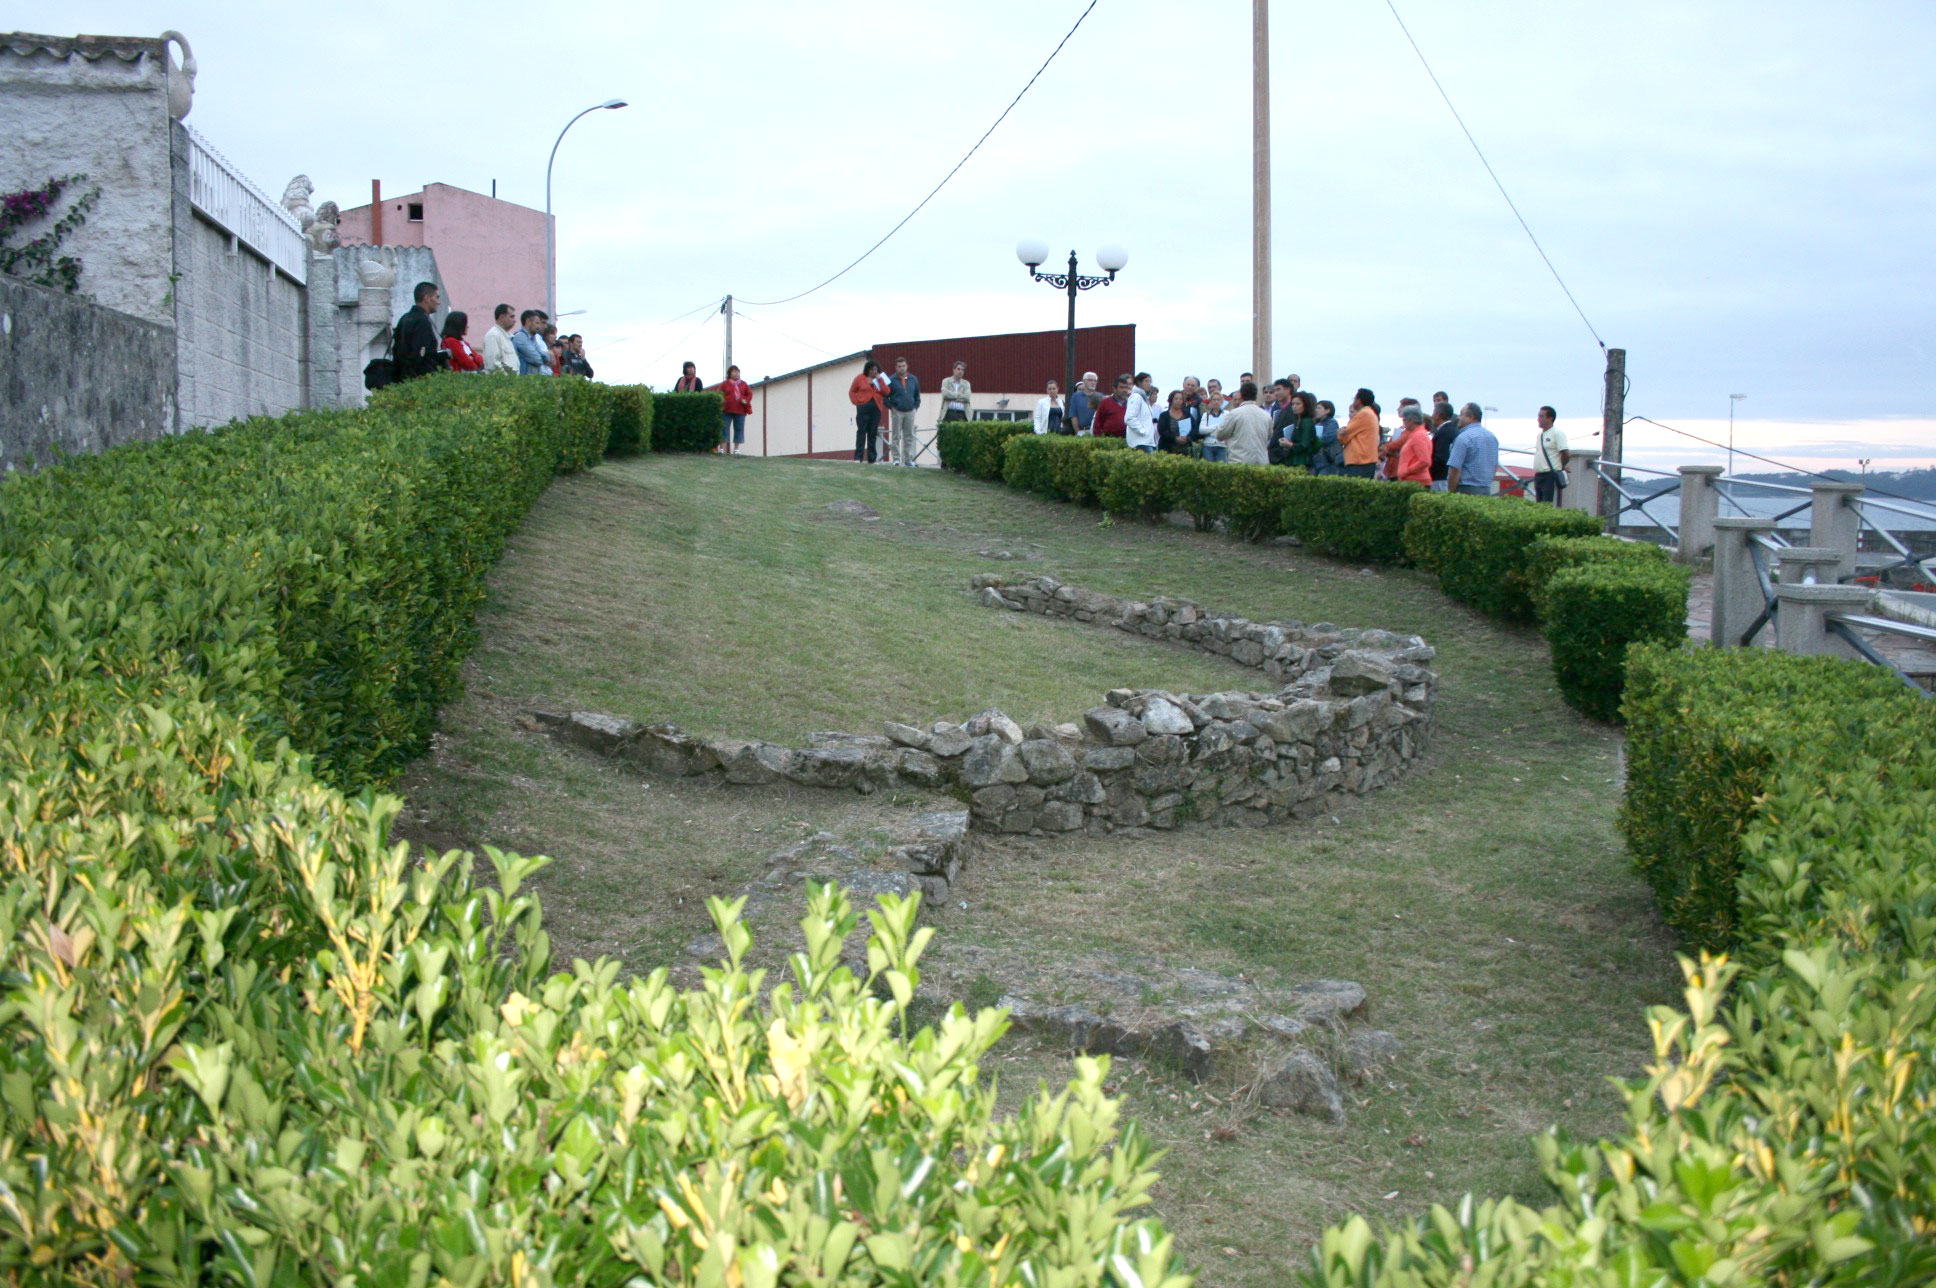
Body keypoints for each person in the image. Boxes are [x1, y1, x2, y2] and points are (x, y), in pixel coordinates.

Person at [392, 281, 444, 381]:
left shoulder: (404, 318)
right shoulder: (422, 321)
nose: (439, 302)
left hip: (401, 379)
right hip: (419, 381)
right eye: (437, 297)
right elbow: (419, 355)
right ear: (427, 298)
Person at [1214, 381, 1274, 465]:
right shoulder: (1266, 416)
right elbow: (1269, 436)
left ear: (1241, 396)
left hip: (1239, 462)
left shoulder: (1234, 414)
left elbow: (1220, 435)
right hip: (1262, 463)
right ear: (1256, 395)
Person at [1446, 403, 1500, 495]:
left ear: (1470, 417)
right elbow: (1494, 465)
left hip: (1465, 489)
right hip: (1486, 488)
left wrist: (1450, 491)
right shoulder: (1492, 437)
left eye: (1461, 414)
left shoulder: (1463, 438)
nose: (1458, 417)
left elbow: (1455, 469)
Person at [885, 357, 921, 467]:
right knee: (896, 435)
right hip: (897, 411)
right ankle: (896, 458)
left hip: (910, 411)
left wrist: (915, 407)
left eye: (903, 366)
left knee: (909, 436)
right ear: (896, 367)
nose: (902, 368)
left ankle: (908, 459)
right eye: (899, 366)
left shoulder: (913, 379)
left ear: (907, 366)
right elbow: (885, 397)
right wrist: (892, 408)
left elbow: (917, 395)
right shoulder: (890, 380)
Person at [1339, 388, 1380, 478]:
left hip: (1359, 461)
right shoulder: (1371, 413)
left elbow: (1345, 435)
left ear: (1358, 400)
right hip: (1368, 459)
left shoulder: (1363, 414)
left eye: (1354, 399)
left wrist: (1339, 433)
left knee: (1354, 490)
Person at [850, 360, 886, 462]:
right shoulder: (860, 378)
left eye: (875, 369)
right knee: (861, 432)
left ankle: (872, 458)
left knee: (872, 433)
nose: (873, 371)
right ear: (868, 370)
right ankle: (858, 457)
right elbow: (852, 391)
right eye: (871, 369)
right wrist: (856, 402)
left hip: (876, 408)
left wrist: (880, 380)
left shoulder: (881, 379)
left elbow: (886, 391)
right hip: (863, 408)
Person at [1532, 405, 1569, 504]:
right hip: (1539, 474)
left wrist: (1561, 466)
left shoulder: (1557, 433)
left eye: (1541, 416)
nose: (1538, 419)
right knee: (1539, 504)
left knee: (1546, 503)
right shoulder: (1540, 435)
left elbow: (1565, 453)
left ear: (1550, 418)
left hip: (1549, 475)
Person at [1278, 391, 1319, 469]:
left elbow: (1304, 445)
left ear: (1305, 405)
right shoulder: (1298, 420)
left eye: (1298, 404)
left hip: (1303, 462)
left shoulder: (1307, 422)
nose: (1294, 406)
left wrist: (1289, 444)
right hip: (1294, 461)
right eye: (1293, 404)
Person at [1392, 406, 1434, 483]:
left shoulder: (1418, 436)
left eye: (1404, 419)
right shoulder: (1416, 434)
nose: (1403, 422)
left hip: (1416, 481)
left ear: (1411, 420)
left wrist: (1406, 471)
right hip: (1412, 480)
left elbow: (1425, 461)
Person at [718, 364, 752, 455]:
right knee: (724, 429)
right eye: (734, 372)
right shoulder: (725, 384)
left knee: (739, 429)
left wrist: (746, 400)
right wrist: (722, 402)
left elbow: (749, 394)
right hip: (726, 410)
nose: (736, 373)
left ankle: (736, 449)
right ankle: (722, 449)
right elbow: (719, 394)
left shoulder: (744, 384)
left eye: (738, 372)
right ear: (729, 373)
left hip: (740, 411)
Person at [1429, 401, 1462, 492]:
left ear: (1438, 414)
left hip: (1440, 478)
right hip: (1444, 476)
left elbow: (1441, 457)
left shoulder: (1444, 432)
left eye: (1434, 412)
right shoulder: (1452, 429)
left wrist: (1429, 469)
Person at [1155, 389, 1196, 453]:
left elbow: (1194, 429)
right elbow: (1162, 431)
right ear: (1171, 400)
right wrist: (1175, 438)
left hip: (1185, 451)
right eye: (1176, 399)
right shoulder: (1164, 415)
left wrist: (1188, 438)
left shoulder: (1187, 415)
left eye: (1180, 399)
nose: (1178, 401)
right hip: (1167, 449)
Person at [1124, 372, 1157, 451]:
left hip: (1147, 441)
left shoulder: (1144, 398)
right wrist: (1142, 431)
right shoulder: (1136, 397)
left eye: (1150, 381)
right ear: (1139, 382)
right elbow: (1129, 418)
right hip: (1140, 442)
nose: (1149, 384)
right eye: (1146, 381)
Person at [481, 303, 518, 374]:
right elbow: (493, 365)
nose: (515, 320)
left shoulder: (508, 336)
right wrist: (507, 380)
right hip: (501, 382)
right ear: (501, 317)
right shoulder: (493, 335)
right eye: (511, 317)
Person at [512, 310, 551, 375]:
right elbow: (537, 359)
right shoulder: (520, 337)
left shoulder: (533, 338)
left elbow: (547, 358)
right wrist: (542, 357)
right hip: (524, 379)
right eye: (537, 323)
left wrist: (542, 356)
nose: (539, 326)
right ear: (528, 322)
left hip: (533, 378)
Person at [1198, 386, 1229, 461]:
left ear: (1221, 401)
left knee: (1221, 469)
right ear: (1211, 401)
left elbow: (1227, 429)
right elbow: (1201, 430)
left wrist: (1209, 429)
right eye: (1214, 400)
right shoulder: (1206, 415)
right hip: (1208, 445)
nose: (1216, 402)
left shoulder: (1227, 414)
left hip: (1222, 445)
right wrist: (1217, 426)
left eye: (1218, 400)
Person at [1311, 399, 1342, 475]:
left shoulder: (1332, 422)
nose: (1316, 410)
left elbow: (1328, 438)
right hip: (1317, 460)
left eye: (1319, 408)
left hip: (1327, 460)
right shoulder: (1317, 423)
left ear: (1327, 410)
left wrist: (1313, 440)